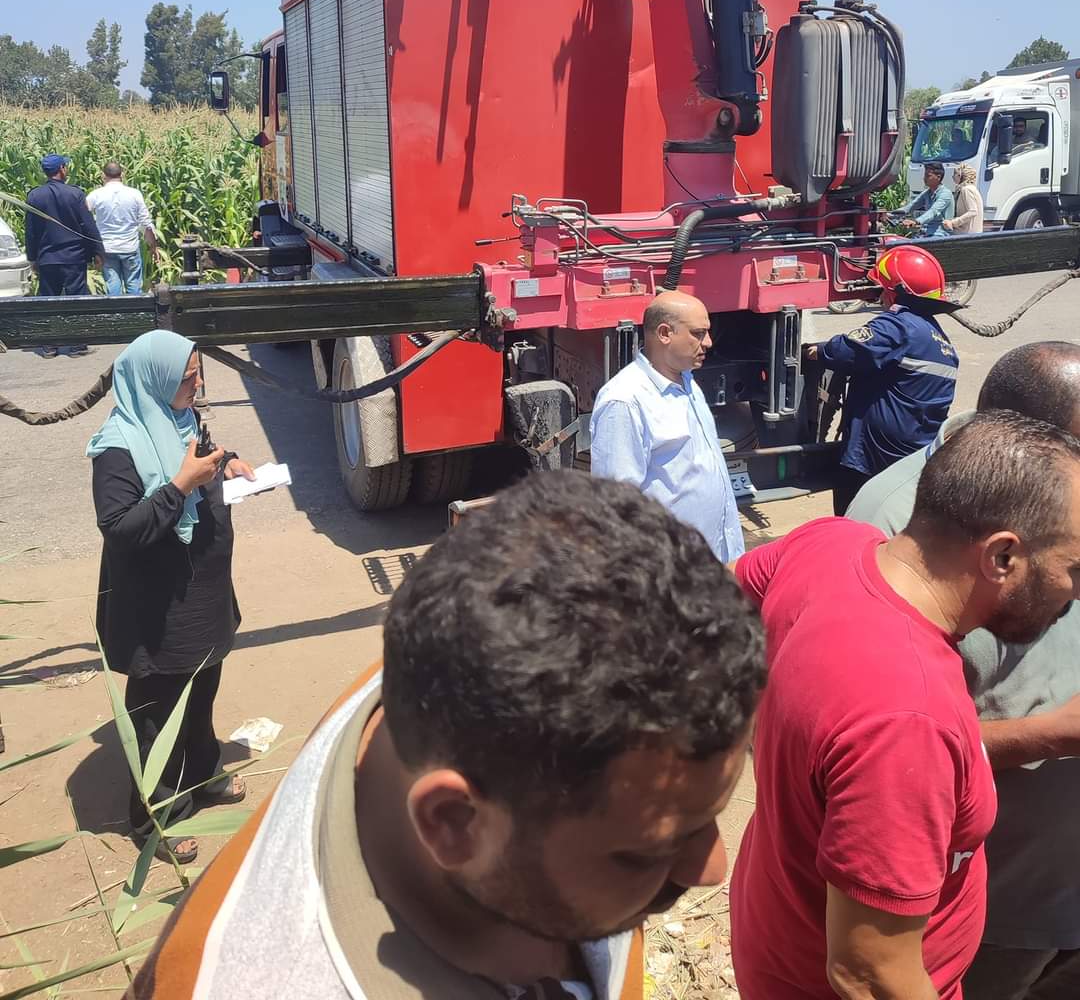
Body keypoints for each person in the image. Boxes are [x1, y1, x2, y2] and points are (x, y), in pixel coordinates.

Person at [128, 470, 765, 999]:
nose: (714, 868)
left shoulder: (454, 677)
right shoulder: (244, 979)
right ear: (454, 821)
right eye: (644, 852)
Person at [729, 409, 1080, 1000]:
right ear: (1001, 557)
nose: (1075, 592)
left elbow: (718, 591)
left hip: (776, 926)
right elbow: (869, 974)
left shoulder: (831, 542)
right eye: (1073, 568)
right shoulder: (907, 719)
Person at [848, 341, 1080, 1000]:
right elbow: (885, 749)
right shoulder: (896, 525)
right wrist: (1049, 735)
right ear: (1023, 444)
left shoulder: (1064, 490)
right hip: (999, 907)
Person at [88, 332, 257, 863]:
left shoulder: (180, 417)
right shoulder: (118, 445)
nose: (197, 384)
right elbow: (120, 528)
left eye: (198, 372)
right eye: (187, 377)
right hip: (158, 608)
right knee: (156, 712)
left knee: (202, 690)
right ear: (155, 380)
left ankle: (202, 773)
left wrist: (227, 464)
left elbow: (201, 456)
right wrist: (182, 485)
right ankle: (155, 817)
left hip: (201, 593)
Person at [590, 290, 744, 562]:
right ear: (664, 334)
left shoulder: (687, 381)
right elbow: (616, 507)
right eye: (698, 333)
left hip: (713, 559)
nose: (708, 342)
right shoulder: (625, 401)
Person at [806, 246, 959, 514]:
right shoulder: (944, 344)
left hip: (872, 458)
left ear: (892, 291)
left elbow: (849, 350)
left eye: (881, 289)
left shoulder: (898, 325)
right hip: (914, 458)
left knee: (853, 524)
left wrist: (818, 351)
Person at [24, 153, 106, 357]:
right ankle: (77, 344)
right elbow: (87, 225)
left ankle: (49, 346)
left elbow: (31, 232)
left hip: (47, 257)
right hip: (73, 257)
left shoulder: (35, 196)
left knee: (48, 301)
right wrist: (97, 250)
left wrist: (32, 258)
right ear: (61, 169)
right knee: (76, 300)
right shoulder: (75, 194)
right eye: (65, 166)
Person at [86, 160, 160, 295]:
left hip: (107, 248)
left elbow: (83, 216)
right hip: (130, 247)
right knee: (134, 287)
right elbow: (146, 223)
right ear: (122, 175)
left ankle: (117, 309)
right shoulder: (134, 194)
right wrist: (153, 246)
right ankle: (134, 308)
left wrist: (92, 248)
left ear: (103, 176)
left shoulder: (96, 195)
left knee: (113, 287)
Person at [897, 161, 955, 237]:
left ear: (938, 177)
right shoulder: (927, 193)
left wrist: (916, 221)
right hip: (925, 231)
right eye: (925, 175)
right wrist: (890, 214)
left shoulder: (945, 194)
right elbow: (911, 206)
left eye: (928, 176)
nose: (924, 178)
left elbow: (933, 212)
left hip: (940, 233)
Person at [942, 163, 984, 234]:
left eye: (955, 174)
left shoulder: (966, 189)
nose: (952, 176)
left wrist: (953, 222)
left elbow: (973, 211)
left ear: (960, 175)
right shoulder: (969, 188)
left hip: (967, 233)